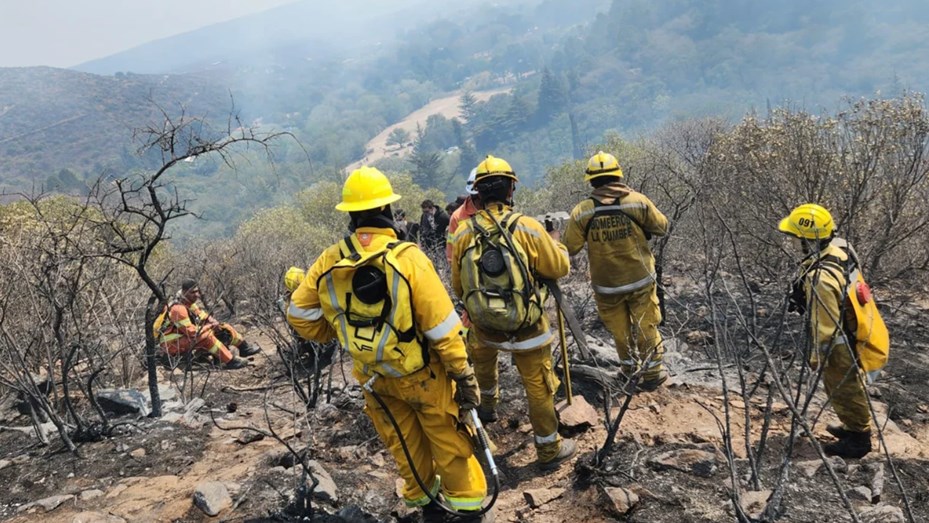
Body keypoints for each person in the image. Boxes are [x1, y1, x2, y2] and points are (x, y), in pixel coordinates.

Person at [287, 166, 488, 521]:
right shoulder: (407, 257)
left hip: (374, 379)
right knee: (450, 443)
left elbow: (299, 314)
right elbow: (442, 327)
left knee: (406, 447)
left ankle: (430, 512)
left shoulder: (331, 259)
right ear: (386, 211)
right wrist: (463, 374)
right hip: (423, 376)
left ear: (349, 214)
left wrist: (340, 331)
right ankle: (469, 510)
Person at [450, 155, 576, 472]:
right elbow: (559, 267)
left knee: (483, 367)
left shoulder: (463, 232)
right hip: (527, 328)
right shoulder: (529, 229)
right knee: (538, 386)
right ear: (510, 190)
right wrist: (556, 242)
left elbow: (457, 286)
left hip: (483, 326)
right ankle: (549, 450)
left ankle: (488, 407)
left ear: (477, 193)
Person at [778, 203, 883, 458]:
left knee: (845, 386)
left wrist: (817, 357)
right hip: (861, 325)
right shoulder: (840, 247)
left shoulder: (821, 278)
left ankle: (859, 439)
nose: (793, 245)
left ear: (809, 241)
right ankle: (852, 426)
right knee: (847, 386)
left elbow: (824, 327)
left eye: (797, 239)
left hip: (841, 342)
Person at [563, 151, 669, 392]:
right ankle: (653, 373)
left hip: (606, 285)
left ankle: (630, 370)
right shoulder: (637, 201)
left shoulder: (582, 211)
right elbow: (661, 227)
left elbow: (570, 247)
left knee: (619, 330)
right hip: (640, 279)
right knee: (646, 324)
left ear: (591, 181)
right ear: (618, 176)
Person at [158, 280, 259, 369]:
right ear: (184, 292)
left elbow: (203, 316)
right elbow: (191, 332)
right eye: (193, 292)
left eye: (197, 291)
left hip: (181, 338)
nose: (196, 295)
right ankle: (230, 361)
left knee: (223, 327)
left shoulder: (188, 303)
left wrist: (214, 323)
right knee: (207, 337)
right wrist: (209, 327)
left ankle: (244, 348)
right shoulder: (178, 309)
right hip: (171, 344)